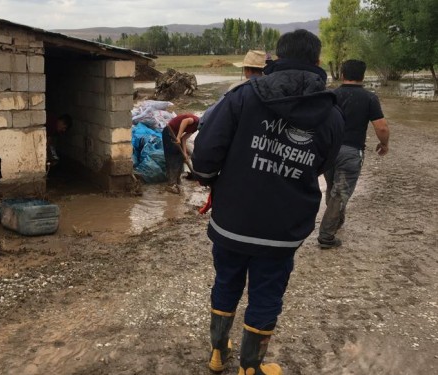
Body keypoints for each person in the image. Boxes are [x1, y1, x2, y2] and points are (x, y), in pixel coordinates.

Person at [192, 29, 344, 375]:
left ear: (275, 58)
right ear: (318, 62)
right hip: (283, 228)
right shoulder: (331, 114)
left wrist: (211, 177)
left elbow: (205, 155)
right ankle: (250, 367)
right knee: (266, 293)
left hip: (232, 220)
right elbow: (322, 164)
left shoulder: (243, 96)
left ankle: (218, 354)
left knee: (226, 281)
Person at [317, 60, 390, 249]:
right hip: (351, 151)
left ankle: (336, 222)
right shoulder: (369, 98)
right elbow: (381, 127)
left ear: (342, 75)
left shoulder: (331, 95)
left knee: (333, 187)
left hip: (329, 150)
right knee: (340, 193)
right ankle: (326, 235)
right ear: (363, 76)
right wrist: (384, 144)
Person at [163, 113, 200, 193]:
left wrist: (185, 153)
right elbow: (184, 121)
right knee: (172, 158)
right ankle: (171, 184)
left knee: (180, 156)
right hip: (169, 132)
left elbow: (184, 139)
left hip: (176, 135)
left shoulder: (195, 128)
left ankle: (177, 180)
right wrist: (178, 137)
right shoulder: (195, 120)